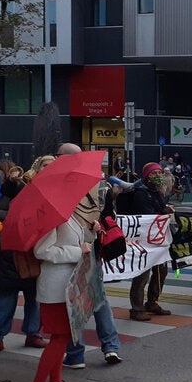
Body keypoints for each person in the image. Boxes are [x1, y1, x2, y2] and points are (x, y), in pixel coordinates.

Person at [27, 185, 103, 382]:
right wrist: (79, 251)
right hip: (55, 288)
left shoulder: (68, 214)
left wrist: (92, 232)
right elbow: (42, 250)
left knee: (65, 337)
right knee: (60, 339)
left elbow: (77, 242)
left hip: (69, 285)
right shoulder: (52, 217)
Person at [54, 143, 123, 369]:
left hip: (72, 246)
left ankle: (76, 354)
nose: (56, 159)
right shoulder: (97, 182)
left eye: (59, 156)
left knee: (73, 300)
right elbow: (108, 213)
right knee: (98, 297)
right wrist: (97, 224)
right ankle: (110, 346)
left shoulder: (57, 183)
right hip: (89, 246)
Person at [0, 160, 45, 356]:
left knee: (32, 296)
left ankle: (33, 332)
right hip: (5, 249)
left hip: (26, 248)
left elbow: (18, 212)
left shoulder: (25, 187)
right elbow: (8, 191)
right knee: (4, 296)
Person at [124, 163, 174, 321]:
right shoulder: (140, 194)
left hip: (158, 240)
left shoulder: (156, 192)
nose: (159, 176)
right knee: (142, 275)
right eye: (155, 174)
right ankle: (136, 309)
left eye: (160, 173)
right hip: (143, 242)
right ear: (147, 176)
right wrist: (165, 211)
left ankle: (152, 302)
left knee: (161, 272)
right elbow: (148, 215)